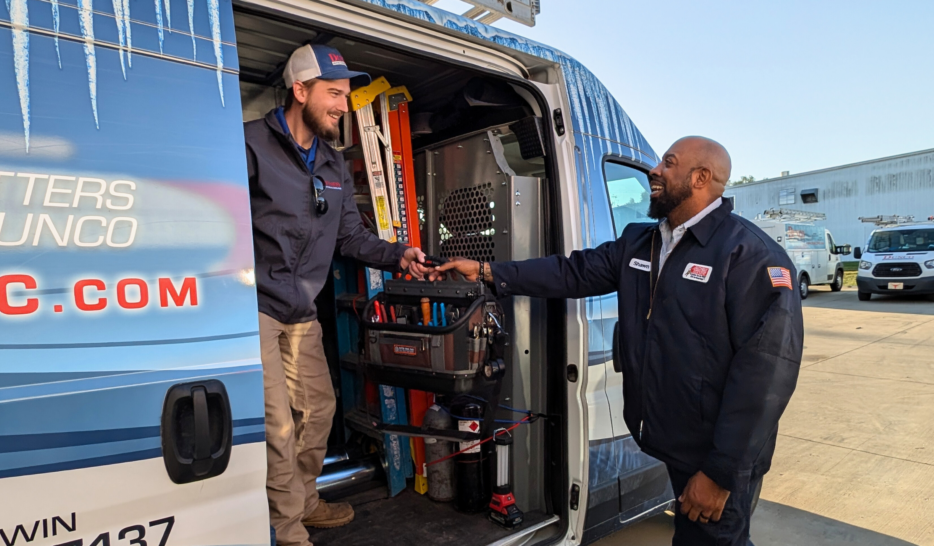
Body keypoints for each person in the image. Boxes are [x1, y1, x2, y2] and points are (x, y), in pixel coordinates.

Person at [433, 137, 802, 546]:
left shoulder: (750, 256)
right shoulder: (644, 242)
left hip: (716, 454)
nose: (654, 171)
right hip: (678, 442)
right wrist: (487, 270)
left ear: (700, 178)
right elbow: (573, 272)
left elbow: (765, 378)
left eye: (669, 163)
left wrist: (720, 473)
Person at [245, 44, 428, 546]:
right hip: (254, 308)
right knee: (277, 427)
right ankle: (285, 529)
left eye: (345, 96)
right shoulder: (249, 146)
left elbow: (350, 237)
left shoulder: (332, 162)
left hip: (302, 311)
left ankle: (302, 503)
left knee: (318, 410)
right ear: (299, 91)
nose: (343, 106)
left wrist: (398, 255)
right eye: (334, 94)